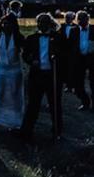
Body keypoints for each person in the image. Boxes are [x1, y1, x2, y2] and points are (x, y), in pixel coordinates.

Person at [20, 13, 63, 141]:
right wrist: (31, 60)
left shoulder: (58, 38)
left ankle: (57, 131)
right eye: (39, 22)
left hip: (52, 76)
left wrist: (57, 58)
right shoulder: (32, 38)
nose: (41, 25)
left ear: (50, 24)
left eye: (44, 22)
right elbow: (25, 55)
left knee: (55, 105)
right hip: (37, 76)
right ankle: (26, 131)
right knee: (33, 105)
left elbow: (65, 55)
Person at [0, 14, 25, 131]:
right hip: (1, 69)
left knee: (14, 95)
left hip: (15, 69)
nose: (5, 26)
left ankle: (15, 122)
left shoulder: (18, 38)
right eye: (4, 23)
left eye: (8, 23)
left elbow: (23, 54)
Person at [69, 10, 94, 110]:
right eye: (79, 19)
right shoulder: (73, 30)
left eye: (83, 19)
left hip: (92, 59)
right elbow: (70, 46)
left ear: (88, 19)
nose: (81, 21)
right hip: (79, 60)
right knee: (77, 84)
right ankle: (85, 101)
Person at [59, 11, 77, 92]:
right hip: (63, 50)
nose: (66, 19)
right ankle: (67, 85)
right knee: (64, 68)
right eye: (66, 17)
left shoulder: (76, 27)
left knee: (72, 68)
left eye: (68, 18)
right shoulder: (61, 26)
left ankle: (71, 85)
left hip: (72, 51)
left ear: (73, 18)